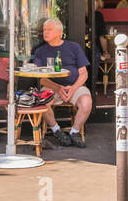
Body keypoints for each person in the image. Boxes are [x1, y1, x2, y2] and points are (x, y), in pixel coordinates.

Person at [32, 17, 92, 149]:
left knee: (86, 103)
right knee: (42, 102)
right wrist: (58, 88)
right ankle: (56, 131)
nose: (45, 32)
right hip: (52, 87)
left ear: (59, 32)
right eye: (44, 30)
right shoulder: (40, 51)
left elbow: (84, 73)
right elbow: (41, 78)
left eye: (49, 30)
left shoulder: (73, 47)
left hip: (75, 86)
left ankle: (74, 132)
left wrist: (73, 88)